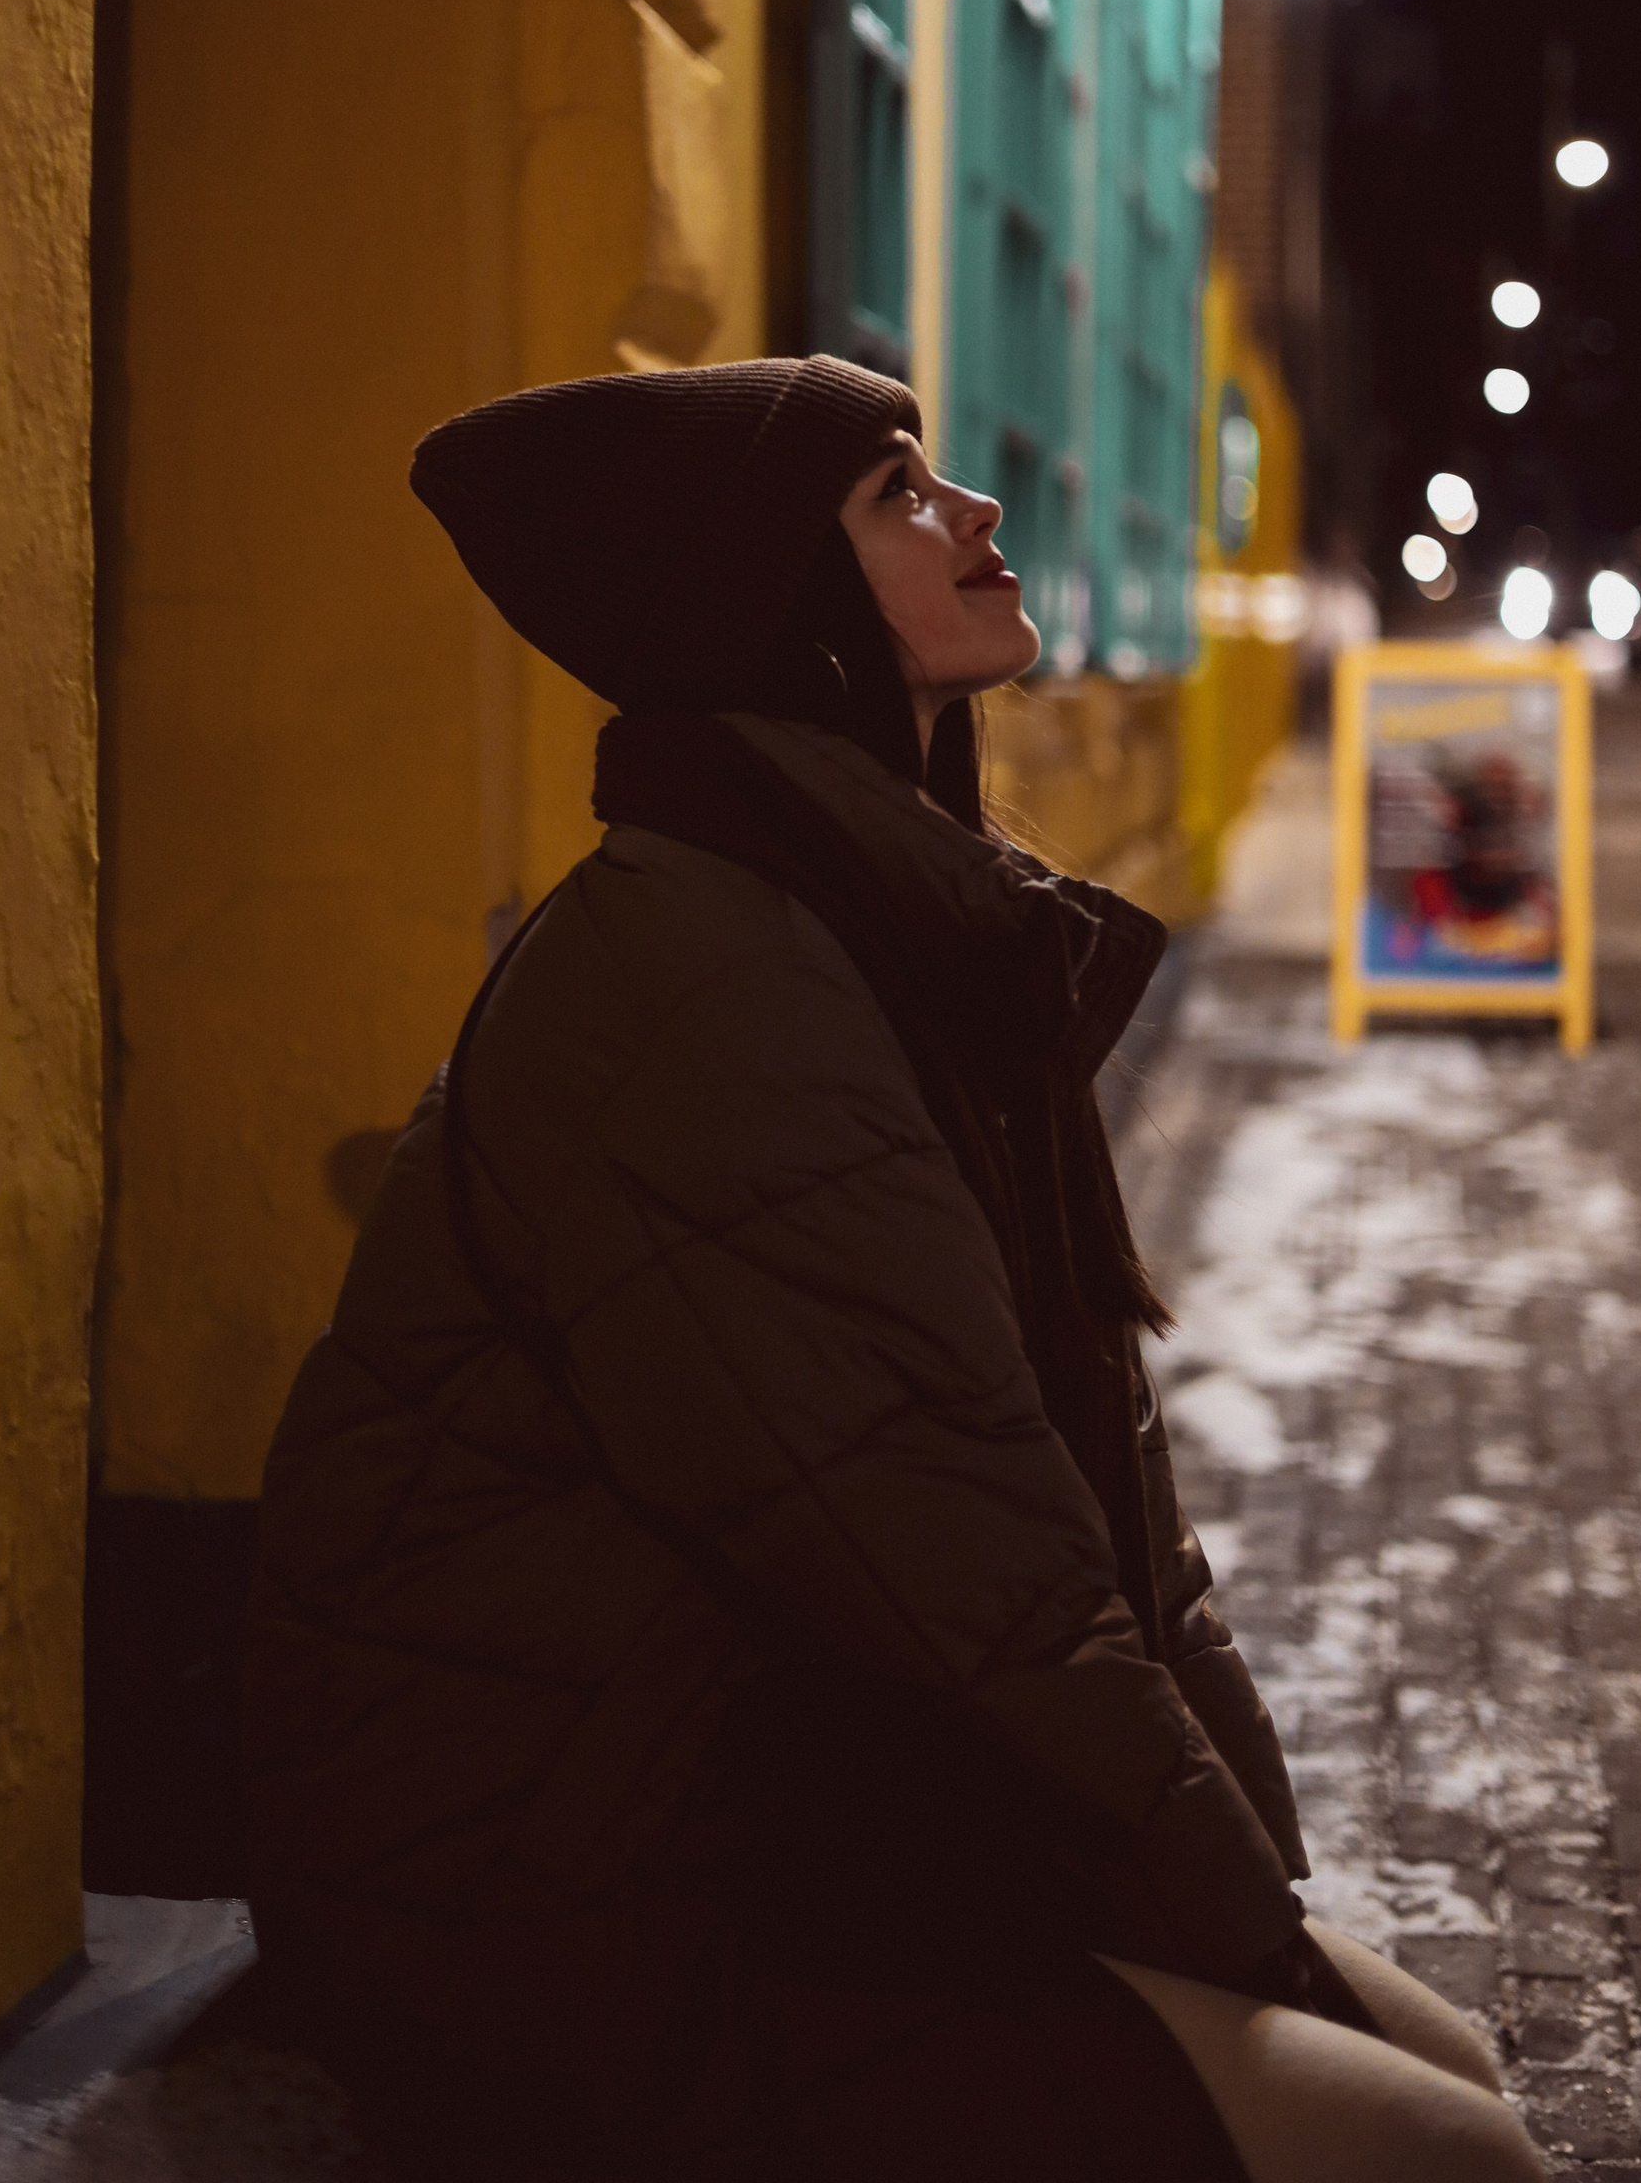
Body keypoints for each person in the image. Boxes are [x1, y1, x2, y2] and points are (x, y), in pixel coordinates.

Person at [243, 356, 1541, 2183]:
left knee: (1451, 2073)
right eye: (898, 493)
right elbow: (968, 1559)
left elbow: (1087, 1492)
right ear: (781, 606)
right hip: (554, 1884)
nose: (975, 509)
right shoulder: (712, 989)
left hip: (782, 1782)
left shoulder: (884, 913)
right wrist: (1243, 1939)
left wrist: (1248, 1889)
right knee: (1441, 2155)